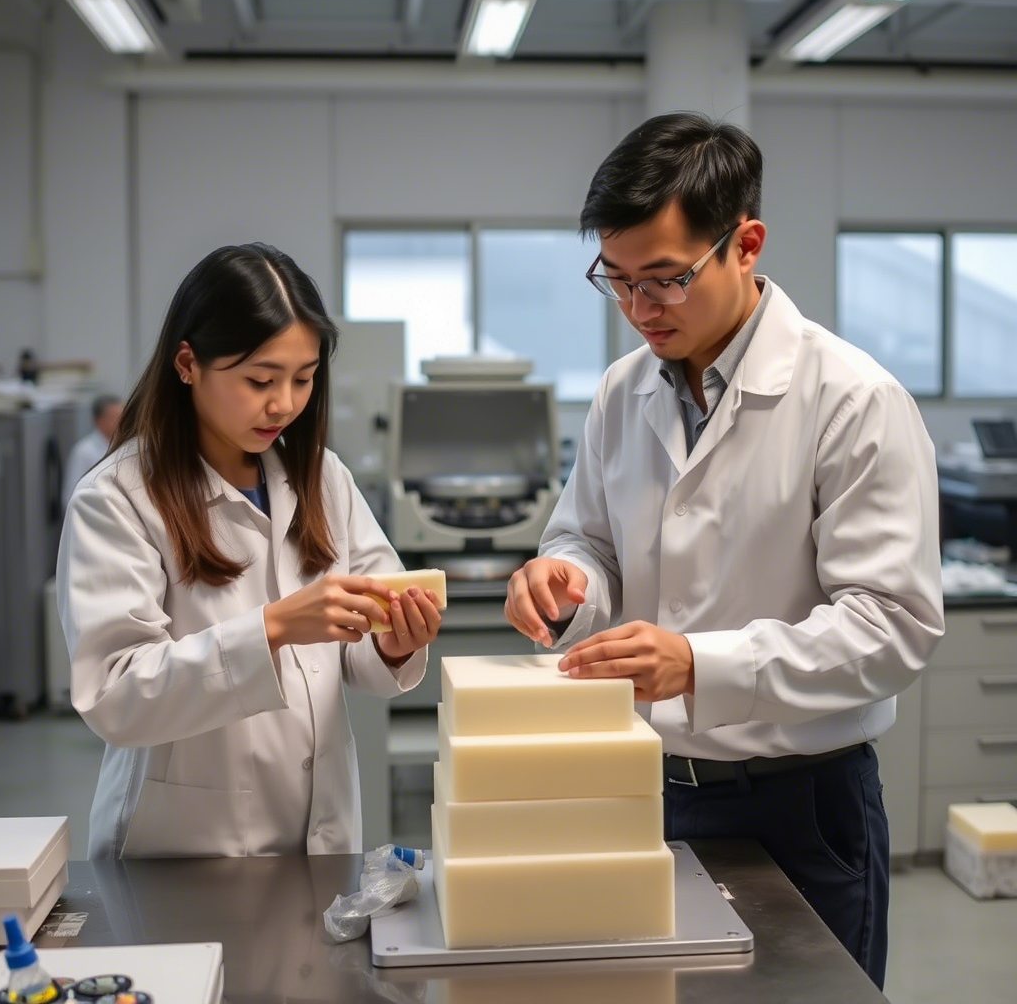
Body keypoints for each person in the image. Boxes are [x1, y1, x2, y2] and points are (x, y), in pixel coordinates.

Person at [504, 113, 943, 988]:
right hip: (648, 788)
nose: (638, 310)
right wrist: (566, 579)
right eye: (616, 280)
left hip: (802, 800)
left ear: (746, 243)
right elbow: (584, 535)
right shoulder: (623, 392)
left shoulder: (852, 399)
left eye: (665, 280)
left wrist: (700, 664)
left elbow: (892, 626)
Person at [57, 243, 442, 859]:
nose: (285, 403)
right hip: (185, 848)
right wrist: (273, 628)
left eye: (304, 378)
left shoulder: (322, 477)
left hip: (321, 838)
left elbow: (367, 641)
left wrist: (393, 641)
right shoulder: (118, 497)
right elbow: (115, 695)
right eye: (260, 380)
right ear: (188, 363)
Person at [63, 394, 123, 503]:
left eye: (121, 417)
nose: (120, 422)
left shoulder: (122, 447)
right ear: (99, 420)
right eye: (114, 417)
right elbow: (71, 495)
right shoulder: (84, 451)